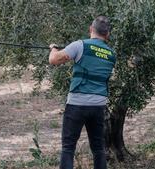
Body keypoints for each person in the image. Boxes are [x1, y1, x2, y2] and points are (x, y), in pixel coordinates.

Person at [49, 16, 116, 169]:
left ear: (91, 29)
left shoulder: (80, 45)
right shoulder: (112, 54)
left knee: (68, 147)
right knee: (98, 149)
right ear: (107, 35)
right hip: (99, 106)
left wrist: (53, 48)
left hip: (77, 104)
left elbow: (53, 60)